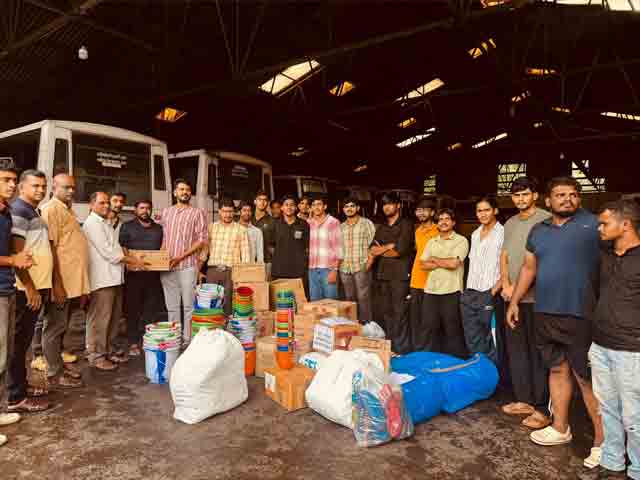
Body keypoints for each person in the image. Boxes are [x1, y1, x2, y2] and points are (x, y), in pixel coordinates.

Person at [506, 177, 603, 469]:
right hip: (544, 310)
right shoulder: (539, 230)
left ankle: (602, 442)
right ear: (548, 200)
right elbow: (528, 267)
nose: (567, 199)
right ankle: (561, 428)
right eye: (560, 195)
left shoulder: (593, 226)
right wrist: (514, 302)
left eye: (573, 195)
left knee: (586, 379)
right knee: (557, 368)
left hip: (580, 313)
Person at [589, 199, 640, 480]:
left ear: (625, 224)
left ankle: (637, 469)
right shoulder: (605, 254)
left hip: (632, 349)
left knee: (634, 416)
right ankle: (612, 463)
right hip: (600, 345)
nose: (599, 228)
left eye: (604, 223)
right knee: (607, 408)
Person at [500, 177, 551, 430]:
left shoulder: (545, 220)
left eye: (525, 194)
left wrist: (518, 292)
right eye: (516, 195)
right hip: (512, 298)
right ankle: (523, 400)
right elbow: (505, 255)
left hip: (536, 297)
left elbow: (542, 261)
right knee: (516, 348)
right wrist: (505, 284)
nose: (520, 199)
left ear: (535, 195)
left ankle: (541, 404)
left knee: (538, 350)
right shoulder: (509, 223)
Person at [83, 192, 146, 371]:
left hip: (114, 278)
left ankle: (108, 351)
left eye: (106, 203)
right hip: (102, 279)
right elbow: (109, 252)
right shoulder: (92, 223)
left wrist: (132, 258)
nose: (106, 206)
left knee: (113, 319)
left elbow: (116, 248)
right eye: (101, 203)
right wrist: (134, 261)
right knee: (100, 320)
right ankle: (96, 356)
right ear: (91, 204)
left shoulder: (105, 222)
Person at [7, 170, 53, 413]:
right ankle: (16, 397)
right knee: (18, 343)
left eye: (43, 186)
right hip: (26, 290)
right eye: (35, 186)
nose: (40, 190)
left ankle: (21, 387)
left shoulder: (33, 211)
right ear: (22, 187)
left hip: (38, 286)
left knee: (23, 342)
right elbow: (18, 255)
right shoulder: (19, 211)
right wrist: (31, 287)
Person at [40, 174, 90, 388]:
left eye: (73, 188)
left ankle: (58, 365)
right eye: (66, 188)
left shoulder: (66, 208)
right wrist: (57, 284)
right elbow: (50, 247)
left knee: (63, 327)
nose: (71, 191)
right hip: (61, 283)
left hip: (72, 283)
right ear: (54, 187)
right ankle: (54, 373)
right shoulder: (51, 209)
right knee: (54, 328)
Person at [0, 167, 34, 447]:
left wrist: (17, 260)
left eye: (13, 180)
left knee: (5, 354)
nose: (11, 185)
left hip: (7, 288)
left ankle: (1, 409)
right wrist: (14, 261)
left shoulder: (5, 213)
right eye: (6, 180)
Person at [159, 179, 207, 345]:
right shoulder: (166, 212)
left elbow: (201, 241)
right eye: (181, 189)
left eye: (187, 189)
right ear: (175, 193)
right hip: (167, 267)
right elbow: (164, 237)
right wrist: (161, 259)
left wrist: (179, 257)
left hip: (187, 266)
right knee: (171, 306)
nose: (184, 192)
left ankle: (188, 339)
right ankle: (174, 338)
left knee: (188, 306)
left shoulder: (197, 213)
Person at [420, 208, 469, 358]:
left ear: (453, 222)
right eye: (440, 219)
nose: (443, 222)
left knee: (452, 331)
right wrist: (444, 261)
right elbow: (423, 265)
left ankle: (455, 363)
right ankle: (432, 362)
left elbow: (454, 264)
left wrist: (434, 259)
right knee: (430, 329)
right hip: (431, 291)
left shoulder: (461, 240)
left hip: (451, 291)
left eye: (447, 219)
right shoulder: (431, 241)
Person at [369, 193, 414, 354]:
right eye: (384, 204)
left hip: (399, 276)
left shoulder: (406, 225)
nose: (386, 207)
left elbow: (399, 251)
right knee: (386, 313)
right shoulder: (382, 227)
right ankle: (390, 349)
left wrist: (384, 250)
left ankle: (402, 350)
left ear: (398, 205)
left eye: (390, 204)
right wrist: (388, 247)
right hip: (383, 275)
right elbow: (372, 249)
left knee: (400, 313)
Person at [118, 199, 164, 357]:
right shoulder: (127, 226)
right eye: (142, 208)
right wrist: (129, 263)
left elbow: (162, 248)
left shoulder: (158, 228)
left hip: (153, 276)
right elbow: (122, 247)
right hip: (133, 276)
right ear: (135, 210)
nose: (145, 211)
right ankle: (132, 342)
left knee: (151, 310)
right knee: (133, 309)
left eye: (148, 208)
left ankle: (148, 340)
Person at [460, 197, 504, 362]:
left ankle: (495, 381)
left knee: (492, 340)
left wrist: (493, 291)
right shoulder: (475, 234)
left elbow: (508, 264)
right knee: (473, 341)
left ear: (495, 211)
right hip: (471, 293)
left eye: (487, 210)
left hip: (490, 293)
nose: (483, 214)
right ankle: (479, 377)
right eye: (479, 211)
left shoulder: (503, 233)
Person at [206, 198, 251, 316]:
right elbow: (204, 250)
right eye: (225, 211)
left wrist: (242, 278)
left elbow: (246, 256)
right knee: (211, 304)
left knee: (228, 305)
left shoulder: (241, 230)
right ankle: (212, 332)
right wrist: (199, 270)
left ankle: (226, 333)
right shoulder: (211, 227)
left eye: (230, 211)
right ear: (219, 211)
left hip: (231, 272)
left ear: (234, 212)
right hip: (212, 271)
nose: (228, 214)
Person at [409, 196, 439, 350]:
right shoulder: (418, 231)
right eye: (418, 210)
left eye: (424, 210)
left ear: (432, 212)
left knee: (429, 319)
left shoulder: (439, 230)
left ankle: (429, 351)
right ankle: (417, 349)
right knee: (416, 318)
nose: (420, 213)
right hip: (416, 279)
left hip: (432, 280)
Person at [339, 196, 376, 323]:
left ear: (358, 208)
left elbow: (374, 244)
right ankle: (352, 325)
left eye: (352, 206)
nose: (349, 209)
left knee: (363, 297)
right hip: (345, 267)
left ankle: (367, 326)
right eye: (346, 206)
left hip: (361, 266)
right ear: (343, 209)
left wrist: (369, 262)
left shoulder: (366, 223)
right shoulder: (341, 226)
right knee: (349, 298)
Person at [270, 195, 310, 295]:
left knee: (299, 302)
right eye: (286, 205)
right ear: (282, 208)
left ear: (296, 207)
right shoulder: (275, 224)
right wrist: (280, 257)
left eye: (292, 205)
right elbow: (270, 246)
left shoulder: (303, 224)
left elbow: (307, 246)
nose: (289, 207)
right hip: (279, 271)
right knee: (281, 303)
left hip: (299, 271)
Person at [308, 195, 342, 301]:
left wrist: (335, 270)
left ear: (325, 206)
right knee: (315, 305)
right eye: (313, 205)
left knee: (331, 304)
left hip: (328, 269)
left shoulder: (333, 222)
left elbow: (339, 248)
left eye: (319, 204)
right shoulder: (309, 223)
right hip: (312, 269)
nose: (316, 207)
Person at [252, 191, 272, 276]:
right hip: (248, 261)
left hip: (266, 262)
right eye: (260, 199)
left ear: (267, 203)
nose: (262, 202)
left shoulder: (272, 221)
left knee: (265, 288)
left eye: (265, 200)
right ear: (255, 201)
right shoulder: (247, 217)